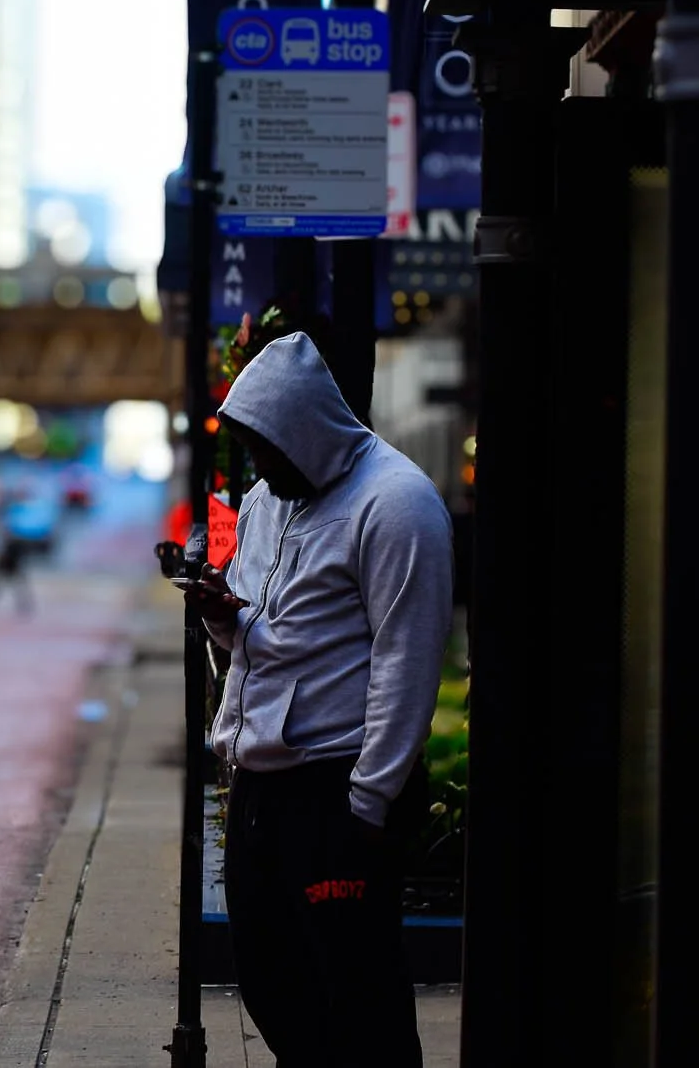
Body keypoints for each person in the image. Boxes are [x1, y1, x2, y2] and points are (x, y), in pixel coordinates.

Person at [183, 330, 452, 1068]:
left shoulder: (397, 503)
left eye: (268, 448)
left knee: (358, 989)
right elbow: (266, 636)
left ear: (303, 430)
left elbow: (409, 659)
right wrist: (219, 610)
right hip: (263, 783)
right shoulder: (271, 498)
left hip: (338, 784)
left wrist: (367, 802)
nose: (260, 467)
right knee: (271, 979)